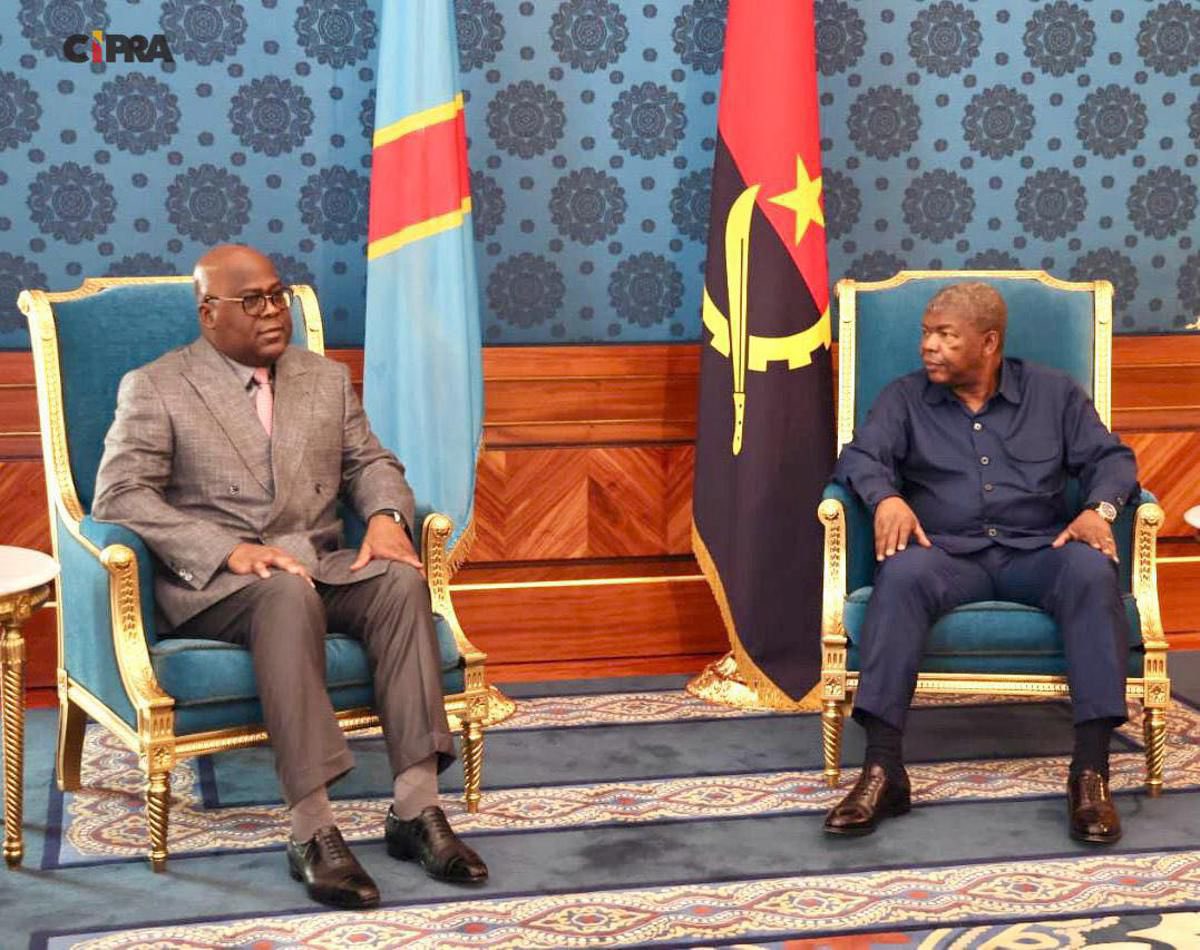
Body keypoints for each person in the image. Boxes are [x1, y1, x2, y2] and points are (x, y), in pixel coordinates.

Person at [92, 244, 487, 909]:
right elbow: (119, 495)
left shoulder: (323, 378)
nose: (273, 311)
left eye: (277, 295)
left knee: (398, 582)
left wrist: (386, 517)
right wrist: (228, 550)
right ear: (209, 313)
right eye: (252, 301)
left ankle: (415, 809)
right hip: (221, 585)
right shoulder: (157, 385)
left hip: (316, 560)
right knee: (283, 593)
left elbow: (371, 463)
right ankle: (311, 828)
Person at [824, 281, 1137, 844]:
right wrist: (886, 498)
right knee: (901, 575)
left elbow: (1112, 460)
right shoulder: (903, 398)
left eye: (946, 335)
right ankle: (883, 770)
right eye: (926, 333)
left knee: (1091, 572)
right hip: (945, 553)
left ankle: (1090, 774)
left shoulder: (1054, 394)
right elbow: (861, 456)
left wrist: (1100, 510)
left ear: (988, 342)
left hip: (1039, 551)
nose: (928, 346)